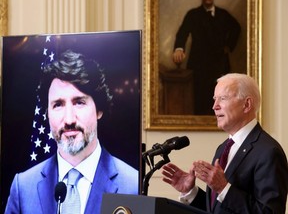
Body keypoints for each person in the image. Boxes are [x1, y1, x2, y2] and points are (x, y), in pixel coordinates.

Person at [4, 50, 139, 214]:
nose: (69, 120)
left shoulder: (132, 184)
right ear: (47, 113)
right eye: (58, 105)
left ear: (99, 109)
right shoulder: (23, 187)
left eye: (79, 102)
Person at [162, 73, 288, 213]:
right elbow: (219, 209)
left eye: (223, 98)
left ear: (247, 104)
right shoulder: (224, 148)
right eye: (215, 99)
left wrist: (224, 188)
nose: (215, 106)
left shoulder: (268, 152)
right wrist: (190, 192)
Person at [173, 0, 241, 115]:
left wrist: (229, 46)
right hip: (199, 67)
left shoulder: (223, 14)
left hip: (219, 66)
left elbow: (237, 28)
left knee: (219, 102)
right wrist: (179, 49)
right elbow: (182, 34)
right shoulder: (193, 14)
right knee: (200, 103)